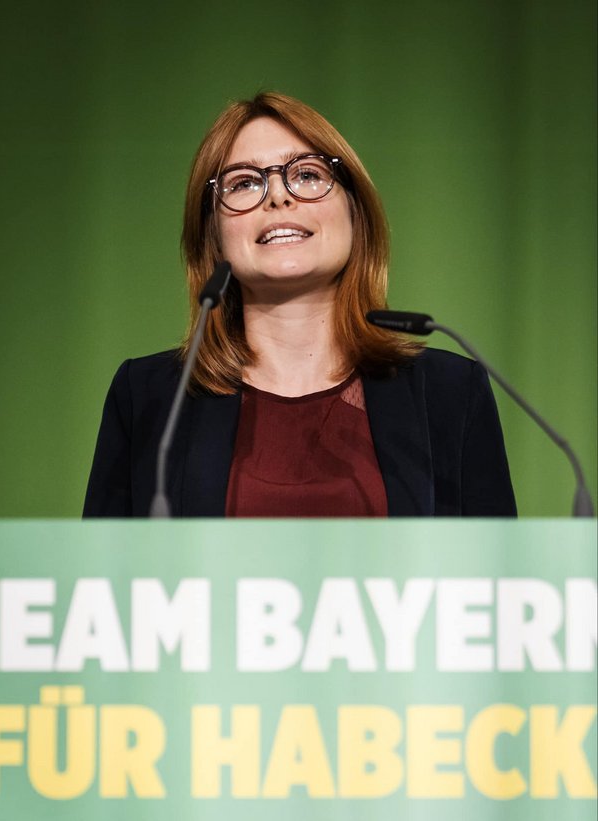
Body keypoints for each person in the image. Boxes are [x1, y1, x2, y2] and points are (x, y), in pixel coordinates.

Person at [83, 92, 516, 518]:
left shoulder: (450, 392)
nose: (278, 196)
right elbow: (102, 565)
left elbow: (496, 563)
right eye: (244, 183)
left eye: (307, 174)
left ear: (355, 212)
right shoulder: (150, 398)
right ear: (213, 234)